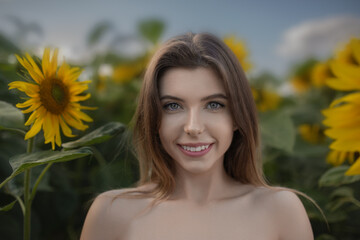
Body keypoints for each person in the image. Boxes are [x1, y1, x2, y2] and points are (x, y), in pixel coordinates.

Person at [80, 32, 314, 240]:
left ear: (237, 117)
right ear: (153, 119)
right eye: (173, 106)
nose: (193, 127)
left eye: (214, 104)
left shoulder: (282, 211)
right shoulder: (110, 215)